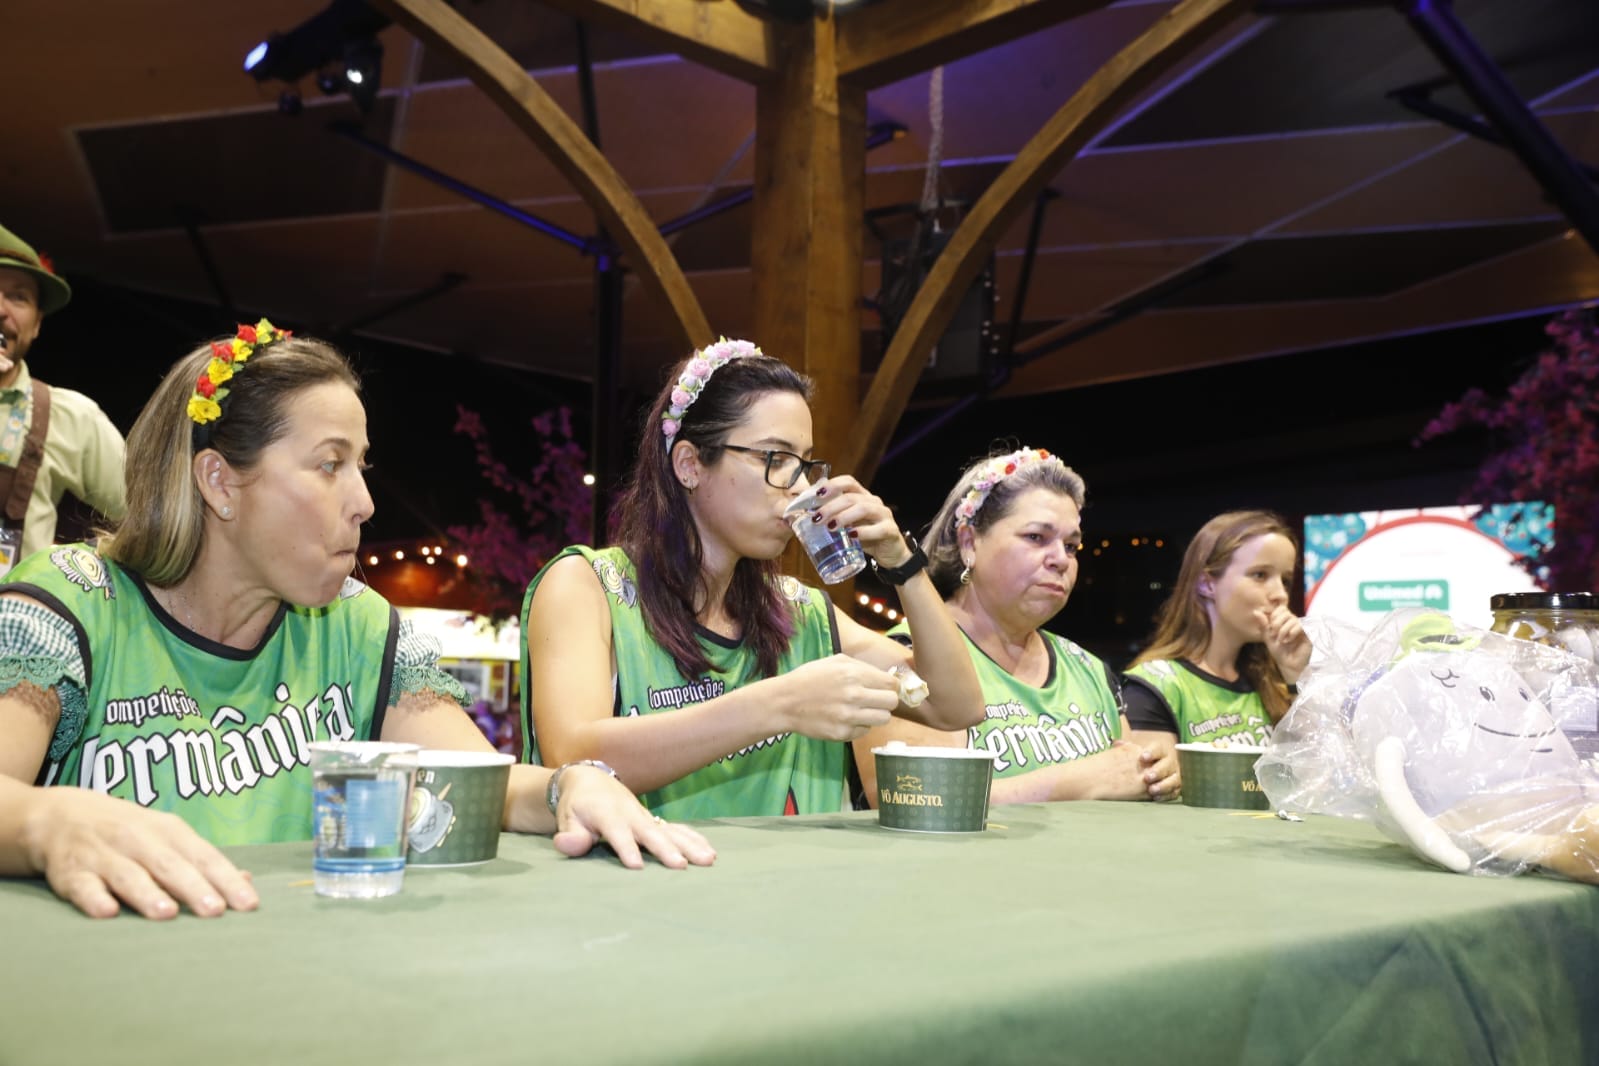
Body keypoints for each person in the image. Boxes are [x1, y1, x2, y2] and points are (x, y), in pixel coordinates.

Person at [0, 323, 713, 921]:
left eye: (361, 466)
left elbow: (478, 783)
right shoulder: (72, 604)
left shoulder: (355, 624)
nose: (366, 502)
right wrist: (48, 823)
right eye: (329, 465)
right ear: (219, 482)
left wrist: (570, 786)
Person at [521, 338, 984, 820]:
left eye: (804, 463)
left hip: (780, 890)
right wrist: (779, 705)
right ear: (689, 465)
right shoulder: (587, 585)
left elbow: (955, 705)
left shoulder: (797, 611)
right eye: (775, 459)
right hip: (642, 887)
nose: (802, 488)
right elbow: (572, 757)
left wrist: (901, 563)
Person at [853, 448, 1179, 804]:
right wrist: (1081, 781)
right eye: (1036, 537)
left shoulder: (1089, 669)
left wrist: (1157, 775)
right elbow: (918, 800)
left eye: (1071, 546)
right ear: (969, 543)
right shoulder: (905, 659)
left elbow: (1125, 777)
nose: (1060, 560)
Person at [1123, 510, 1311, 746]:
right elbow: (1145, 781)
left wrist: (1296, 674)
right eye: (1260, 575)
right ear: (1207, 584)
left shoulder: (1275, 684)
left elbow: (1319, 774)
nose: (1280, 595)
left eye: (1285, 580)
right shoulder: (1157, 685)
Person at [0, 223, 127, 571]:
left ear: (37, 323)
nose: (0, 310)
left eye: (18, 296)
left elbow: (149, 518)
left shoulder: (69, 416)